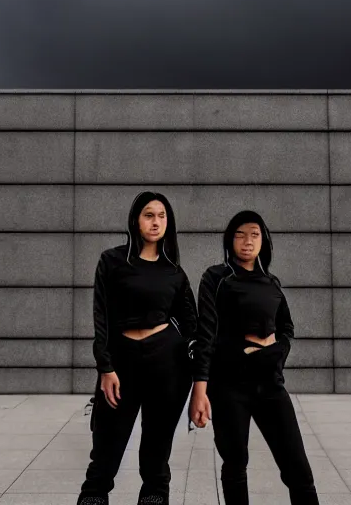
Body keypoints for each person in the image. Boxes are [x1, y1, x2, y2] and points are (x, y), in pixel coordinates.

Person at [188, 210, 319, 505]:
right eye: (240, 234)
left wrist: (275, 353)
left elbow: (286, 327)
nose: (247, 241)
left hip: (270, 383)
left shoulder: (271, 282)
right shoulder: (216, 277)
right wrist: (200, 389)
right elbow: (206, 333)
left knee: (298, 468)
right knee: (235, 465)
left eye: (254, 234)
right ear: (229, 240)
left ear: (264, 241)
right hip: (229, 386)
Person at [77, 191, 197, 505]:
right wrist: (105, 366)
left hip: (167, 364)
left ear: (168, 223)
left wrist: (199, 379)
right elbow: (100, 317)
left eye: (161, 216)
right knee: (105, 450)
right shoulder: (112, 261)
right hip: (121, 362)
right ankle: (93, 497)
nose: (155, 221)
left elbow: (192, 327)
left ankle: (155, 497)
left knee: (156, 455)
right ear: (136, 219)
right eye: (149, 215)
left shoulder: (175, 273)